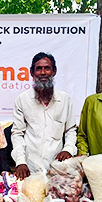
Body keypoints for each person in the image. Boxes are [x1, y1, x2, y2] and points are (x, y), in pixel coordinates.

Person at [11, 52, 77, 180]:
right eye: (38, 69)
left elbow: (70, 130)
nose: (43, 72)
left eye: (47, 68)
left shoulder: (64, 99)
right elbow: (17, 133)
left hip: (58, 168)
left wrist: (68, 149)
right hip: (29, 168)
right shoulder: (22, 99)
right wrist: (20, 162)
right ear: (32, 72)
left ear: (54, 71)